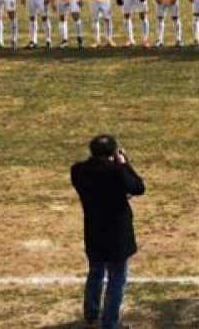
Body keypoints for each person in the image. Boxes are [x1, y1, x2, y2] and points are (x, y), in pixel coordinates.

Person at [71, 135, 145, 329]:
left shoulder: (78, 170)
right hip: (117, 235)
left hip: (94, 232)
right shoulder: (116, 171)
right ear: (113, 152)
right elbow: (138, 187)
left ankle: (91, 314)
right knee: (116, 279)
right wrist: (124, 164)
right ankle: (110, 323)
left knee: (95, 273)